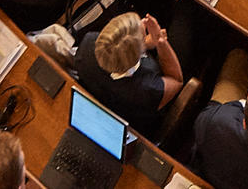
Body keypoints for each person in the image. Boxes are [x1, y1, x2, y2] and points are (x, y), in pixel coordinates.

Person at [76, 10, 189, 141]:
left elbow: (119, 52)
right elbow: (176, 80)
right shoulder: (148, 89)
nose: (143, 22)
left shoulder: (87, 44)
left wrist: (144, 43)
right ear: (139, 55)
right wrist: (160, 41)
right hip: (143, 121)